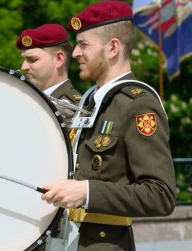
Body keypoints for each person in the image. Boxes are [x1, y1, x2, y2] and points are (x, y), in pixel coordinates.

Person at [41, 1, 176, 251]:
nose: (76, 53)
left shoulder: (138, 105)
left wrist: (87, 192)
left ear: (112, 47)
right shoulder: (91, 101)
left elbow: (161, 195)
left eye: (84, 45)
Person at [16, 23, 82, 126]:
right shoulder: (23, 102)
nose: (23, 67)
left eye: (32, 60)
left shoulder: (75, 109)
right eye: (24, 60)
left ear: (59, 59)